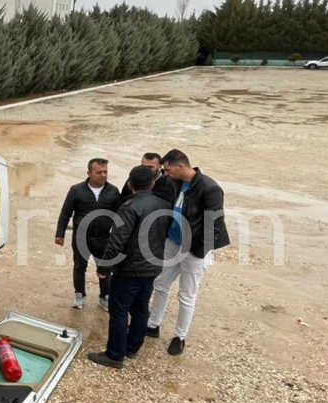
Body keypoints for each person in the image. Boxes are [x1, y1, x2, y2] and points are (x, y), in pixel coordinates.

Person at [146, 149, 230, 355]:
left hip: (195, 250)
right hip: (172, 242)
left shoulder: (210, 189)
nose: (165, 173)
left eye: (167, 169)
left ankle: (179, 336)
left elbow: (214, 225)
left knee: (186, 294)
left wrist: (198, 252)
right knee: (160, 284)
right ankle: (153, 324)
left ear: (180, 166)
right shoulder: (172, 182)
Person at [86, 165, 171, 368]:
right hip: (153, 266)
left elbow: (117, 241)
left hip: (130, 269)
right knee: (141, 309)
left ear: (130, 184)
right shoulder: (164, 204)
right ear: (152, 183)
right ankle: (132, 348)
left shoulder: (129, 206)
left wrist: (104, 267)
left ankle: (115, 355)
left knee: (119, 311)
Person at [55, 158, 120, 311]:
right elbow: (65, 213)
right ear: (89, 173)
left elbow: (119, 216)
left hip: (104, 238)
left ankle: (105, 296)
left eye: (105, 172)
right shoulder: (76, 190)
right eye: (99, 172)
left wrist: (119, 237)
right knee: (79, 267)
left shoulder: (113, 191)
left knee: (105, 268)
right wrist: (60, 233)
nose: (103, 175)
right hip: (81, 238)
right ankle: (79, 295)